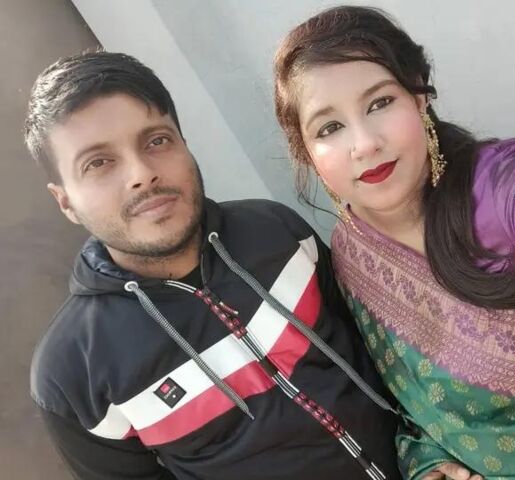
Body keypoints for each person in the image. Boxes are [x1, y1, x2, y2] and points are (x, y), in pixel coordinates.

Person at [273, 6, 515, 480]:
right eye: (329, 128)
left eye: (380, 103)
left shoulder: (506, 186)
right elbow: (415, 407)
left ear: (418, 97)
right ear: (308, 155)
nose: (364, 144)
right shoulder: (351, 255)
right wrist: (426, 459)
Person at [26, 50, 402, 480]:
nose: (141, 173)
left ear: (184, 144)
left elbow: (383, 351)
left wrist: (428, 449)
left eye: (156, 141)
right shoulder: (72, 372)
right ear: (65, 201)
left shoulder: (277, 231)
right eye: (98, 163)